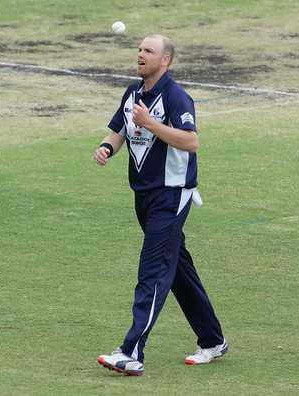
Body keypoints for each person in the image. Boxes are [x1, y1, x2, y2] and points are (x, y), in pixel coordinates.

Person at [94, 34, 227, 376]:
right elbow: (118, 130)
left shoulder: (176, 97)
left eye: (148, 51)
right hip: (144, 196)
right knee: (178, 270)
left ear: (165, 60)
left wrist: (152, 124)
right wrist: (107, 148)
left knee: (153, 271)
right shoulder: (132, 93)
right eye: (139, 50)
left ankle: (131, 351)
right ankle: (213, 340)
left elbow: (191, 141)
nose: (140, 54)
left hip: (171, 196)